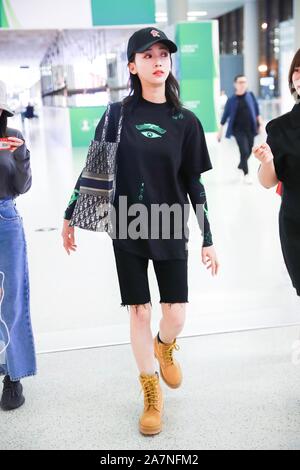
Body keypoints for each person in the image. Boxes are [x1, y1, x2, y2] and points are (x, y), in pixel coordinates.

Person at [62, 27, 219, 435]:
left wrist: (208, 237)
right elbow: (94, 169)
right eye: (147, 56)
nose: (157, 61)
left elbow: (194, 184)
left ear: (170, 62)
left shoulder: (186, 121)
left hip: (168, 225)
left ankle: (164, 347)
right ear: (133, 66)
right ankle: (151, 393)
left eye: (163, 54)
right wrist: (69, 214)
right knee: (139, 312)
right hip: (126, 224)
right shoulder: (116, 115)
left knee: (176, 315)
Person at [0, 81, 36, 411]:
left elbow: (23, 185)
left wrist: (22, 153)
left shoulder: (12, 135)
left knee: (11, 298)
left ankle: (14, 375)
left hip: (5, 218)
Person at [253, 49, 300, 297]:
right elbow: (267, 181)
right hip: (296, 223)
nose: (299, 77)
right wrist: (268, 161)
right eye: (297, 71)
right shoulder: (280, 128)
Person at [217, 75, 263, 184]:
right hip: (238, 130)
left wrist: (260, 124)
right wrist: (220, 132)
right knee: (244, 150)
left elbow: (256, 111)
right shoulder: (231, 100)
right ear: (235, 84)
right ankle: (246, 174)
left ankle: (240, 165)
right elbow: (224, 117)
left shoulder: (250, 96)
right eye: (240, 82)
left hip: (251, 129)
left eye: (244, 82)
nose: (242, 84)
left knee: (250, 150)